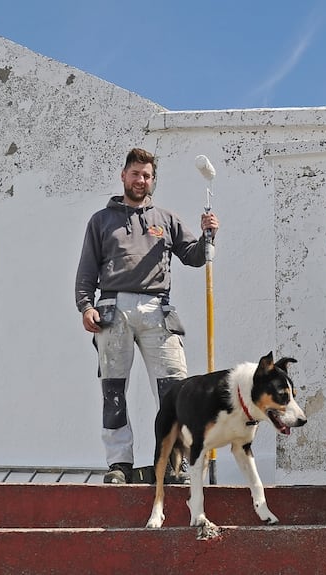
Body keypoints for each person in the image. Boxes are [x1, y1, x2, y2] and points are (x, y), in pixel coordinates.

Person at [75, 147, 220, 484]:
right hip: (112, 309)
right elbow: (85, 271)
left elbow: (195, 257)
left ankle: (174, 463)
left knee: (174, 389)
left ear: (153, 181)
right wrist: (86, 306)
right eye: (136, 173)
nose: (141, 180)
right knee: (113, 390)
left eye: (147, 176)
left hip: (158, 309)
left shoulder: (166, 220)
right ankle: (118, 465)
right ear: (124, 175)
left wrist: (208, 235)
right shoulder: (101, 220)